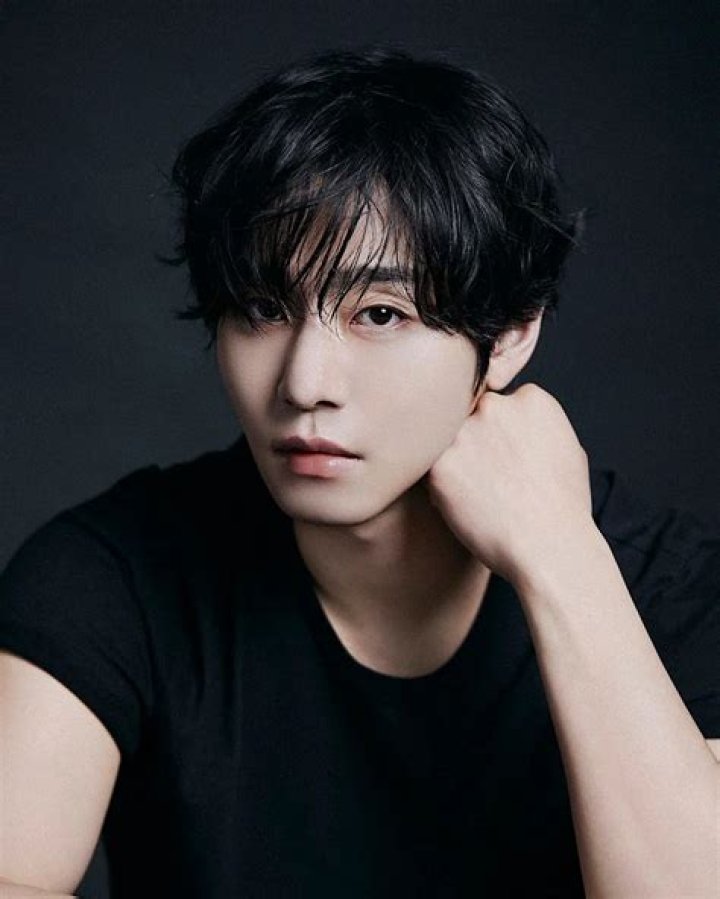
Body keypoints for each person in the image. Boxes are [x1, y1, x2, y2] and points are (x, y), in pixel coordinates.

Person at [0, 46, 718, 898]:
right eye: (262, 307)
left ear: (511, 334)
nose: (304, 382)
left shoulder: (674, 590)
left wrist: (563, 559)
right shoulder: (112, 575)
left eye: (380, 313)